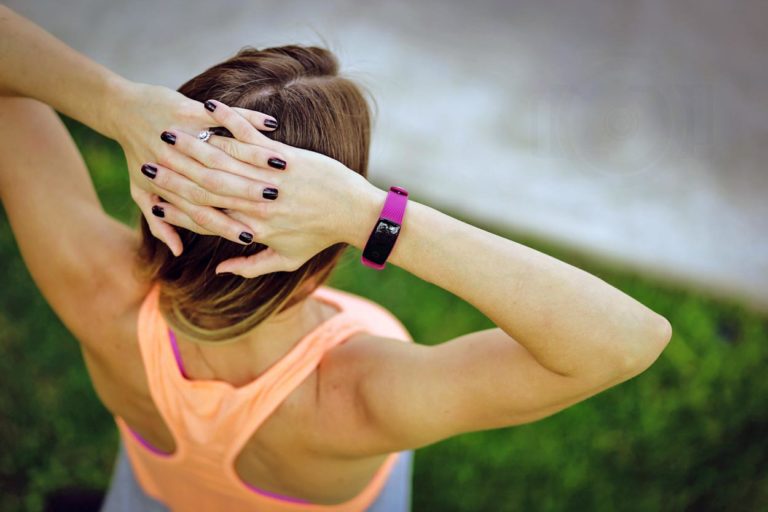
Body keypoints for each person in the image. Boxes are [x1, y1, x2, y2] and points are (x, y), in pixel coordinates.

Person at [0, 6, 672, 512]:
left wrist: (114, 104)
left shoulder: (92, 288)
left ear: (154, 196)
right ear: (318, 255)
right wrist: (370, 215)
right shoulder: (355, 397)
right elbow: (623, 341)